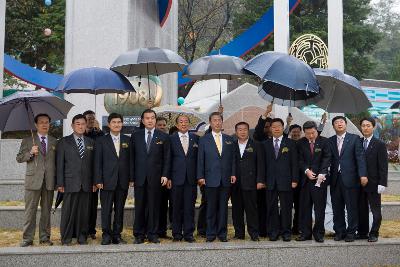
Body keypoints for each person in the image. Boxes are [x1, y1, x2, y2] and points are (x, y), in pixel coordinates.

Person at [130, 109, 171, 244]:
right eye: (147, 118)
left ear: (155, 120)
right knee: (140, 206)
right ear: (142, 121)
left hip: (156, 178)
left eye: (152, 118)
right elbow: (131, 158)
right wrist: (131, 177)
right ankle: (139, 234)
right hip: (140, 177)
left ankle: (153, 233)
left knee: (154, 206)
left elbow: (167, 158)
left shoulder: (163, 136)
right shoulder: (135, 136)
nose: (150, 120)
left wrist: (165, 174)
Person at [16, 114, 57, 247]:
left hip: (49, 181)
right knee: (30, 211)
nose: (44, 125)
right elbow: (19, 158)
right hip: (33, 180)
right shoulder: (28, 140)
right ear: (36, 125)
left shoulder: (54, 140)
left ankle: (45, 237)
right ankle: (27, 238)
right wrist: (30, 153)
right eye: (41, 122)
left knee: (46, 211)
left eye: (47, 122)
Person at [197, 112, 236, 242]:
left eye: (219, 120)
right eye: (215, 120)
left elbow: (233, 160)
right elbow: (200, 160)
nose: (217, 122)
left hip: (225, 179)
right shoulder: (203, 139)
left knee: (223, 208)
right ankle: (210, 234)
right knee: (210, 207)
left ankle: (222, 233)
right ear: (211, 122)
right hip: (209, 179)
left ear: (222, 122)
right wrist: (200, 176)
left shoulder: (229, 139)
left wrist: (233, 173)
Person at [57, 114, 95, 245]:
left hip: (86, 183)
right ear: (72, 126)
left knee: (84, 213)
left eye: (83, 124)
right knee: (68, 212)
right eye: (77, 124)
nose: (80, 126)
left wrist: (94, 182)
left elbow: (93, 165)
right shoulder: (63, 142)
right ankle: (66, 238)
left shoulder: (91, 142)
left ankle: (82, 236)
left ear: (86, 125)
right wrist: (60, 183)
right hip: (69, 183)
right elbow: (60, 164)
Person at [94, 113, 132, 245]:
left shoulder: (128, 140)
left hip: (123, 181)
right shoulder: (101, 141)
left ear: (122, 124)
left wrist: (131, 178)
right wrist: (98, 180)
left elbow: (131, 162)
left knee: (120, 209)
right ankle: (106, 234)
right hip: (106, 181)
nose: (117, 124)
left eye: (119, 122)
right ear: (109, 124)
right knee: (106, 209)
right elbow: (97, 162)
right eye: (114, 122)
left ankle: (117, 235)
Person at [328, 116, 367, 242]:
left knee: (351, 207)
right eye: (336, 123)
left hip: (351, 179)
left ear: (346, 124)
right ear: (333, 126)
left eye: (341, 122)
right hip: (335, 179)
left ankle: (351, 232)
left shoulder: (355, 139)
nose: (339, 124)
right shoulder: (330, 141)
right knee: (337, 207)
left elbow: (360, 158)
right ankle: (339, 231)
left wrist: (363, 175)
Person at [263, 118, 298, 242]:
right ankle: (274, 232)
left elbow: (295, 163)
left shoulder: (291, 143)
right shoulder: (265, 144)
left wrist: (295, 179)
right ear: (270, 129)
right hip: (270, 181)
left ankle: (286, 232)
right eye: (274, 127)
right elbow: (262, 164)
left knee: (286, 208)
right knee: (271, 207)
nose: (276, 128)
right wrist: (262, 180)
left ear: (283, 128)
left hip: (287, 181)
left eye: (279, 126)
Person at [296, 121, 331, 243]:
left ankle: (319, 233)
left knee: (319, 208)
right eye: (307, 133)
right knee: (304, 208)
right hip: (305, 181)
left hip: (320, 180)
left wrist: (322, 173)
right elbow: (299, 159)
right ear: (304, 133)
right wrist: (306, 170)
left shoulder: (325, 141)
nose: (311, 136)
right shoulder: (300, 143)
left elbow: (327, 158)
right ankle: (305, 233)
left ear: (317, 130)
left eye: (313, 133)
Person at [231, 122, 265, 241]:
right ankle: (239, 234)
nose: (242, 131)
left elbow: (261, 164)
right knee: (236, 210)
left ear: (248, 131)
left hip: (251, 183)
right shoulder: (231, 145)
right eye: (239, 129)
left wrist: (260, 180)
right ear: (236, 132)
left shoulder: (256, 145)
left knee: (251, 210)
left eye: (245, 129)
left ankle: (254, 234)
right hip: (235, 184)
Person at [169, 114, 199, 242]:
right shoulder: (170, 139)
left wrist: (199, 176)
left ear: (189, 124)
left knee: (189, 207)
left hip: (191, 179)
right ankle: (176, 234)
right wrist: (168, 177)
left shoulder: (196, 138)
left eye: (186, 121)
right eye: (181, 122)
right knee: (176, 207)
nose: (183, 123)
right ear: (176, 125)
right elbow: (167, 159)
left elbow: (199, 159)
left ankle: (188, 233)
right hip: (175, 179)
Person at [357, 117, 388, 242]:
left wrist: (382, 183)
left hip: (374, 183)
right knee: (361, 209)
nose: (365, 128)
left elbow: (383, 166)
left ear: (373, 127)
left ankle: (374, 232)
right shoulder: (357, 142)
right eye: (363, 125)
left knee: (375, 210)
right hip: (359, 183)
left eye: (368, 125)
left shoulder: (379, 144)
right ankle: (362, 232)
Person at [83, 110, 104, 240]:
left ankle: (91, 230)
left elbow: (102, 147)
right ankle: (81, 229)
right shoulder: (81, 133)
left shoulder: (99, 134)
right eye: (88, 118)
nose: (91, 120)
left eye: (93, 118)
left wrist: (99, 131)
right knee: (82, 205)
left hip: (94, 175)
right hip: (81, 175)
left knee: (92, 205)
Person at [253, 104, 273, 237]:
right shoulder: (261, 139)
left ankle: (274, 229)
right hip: (262, 180)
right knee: (262, 206)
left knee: (272, 207)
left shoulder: (281, 140)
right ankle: (262, 230)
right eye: (266, 127)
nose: (269, 129)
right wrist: (266, 113)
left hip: (276, 180)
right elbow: (259, 131)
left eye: (270, 126)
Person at [156, 116, 172, 238]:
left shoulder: (170, 138)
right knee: (155, 205)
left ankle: (162, 231)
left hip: (169, 179)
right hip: (154, 177)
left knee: (165, 205)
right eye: (159, 124)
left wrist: (168, 177)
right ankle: (152, 230)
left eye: (163, 125)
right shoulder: (152, 138)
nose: (162, 127)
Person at [287, 124, 302, 234]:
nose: (296, 134)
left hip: (301, 181)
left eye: (298, 132)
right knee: (286, 206)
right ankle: (285, 228)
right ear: (290, 133)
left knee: (299, 206)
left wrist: (321, 123)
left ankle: (297, 228)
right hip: (288, 181)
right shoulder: (286, 143)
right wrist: (287, 124)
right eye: (294, 132)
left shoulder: (303, 143)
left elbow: (317, 134)